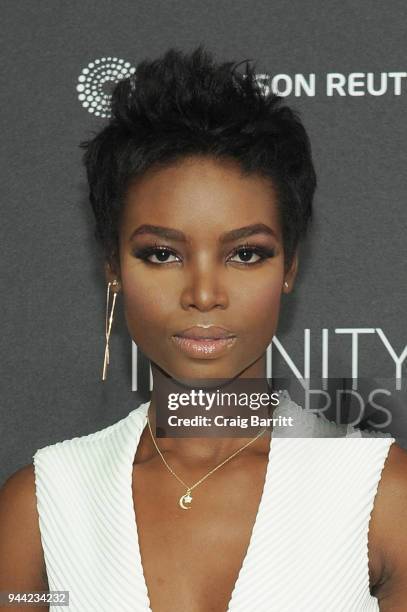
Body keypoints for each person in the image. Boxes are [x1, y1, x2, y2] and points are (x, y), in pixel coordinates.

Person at [1, 45, 407, 612]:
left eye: (245, 254)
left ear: (289, 266)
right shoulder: (43, 506)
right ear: (113, 267)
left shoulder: (381, 497)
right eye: (162, 254)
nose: (204, 294)